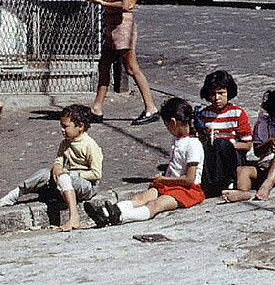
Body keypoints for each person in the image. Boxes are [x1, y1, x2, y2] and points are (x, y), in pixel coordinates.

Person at [85, 96, 204, 226]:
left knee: (155, 204)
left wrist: (164, 180)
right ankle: (106, 212)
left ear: (173, 122)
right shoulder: (177, 140)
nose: (168, 129)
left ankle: (120, 217)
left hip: (187, 190)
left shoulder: (193, 144)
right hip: (171, 184)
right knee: (140, 198)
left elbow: (189, 179)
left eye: (167, 125)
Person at [0, 104, 103, 231]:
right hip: (68, 181)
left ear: (80, 126)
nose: (62, 129)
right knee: (43, 174)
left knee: (65, 177)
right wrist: (57, 167)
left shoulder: (90, 145)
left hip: (87, 186)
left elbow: (96, 174)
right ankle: (14, 195)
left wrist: (73, 174)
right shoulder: (65, 143)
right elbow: (59, 159)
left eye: (65, 126)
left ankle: (74, 217)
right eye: (61, 125)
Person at [86, 0, 159, 126]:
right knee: (104, 64)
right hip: (113, 24)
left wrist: (101, 2)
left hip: (122, 25)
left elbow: (126, 5)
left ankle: (150, 107)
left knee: (131, 67)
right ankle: (97, 107)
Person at [221, 82, 275, 203]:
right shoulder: (264, 122)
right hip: (265, 166)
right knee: (242, 170)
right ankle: (243, 193)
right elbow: (257, 151)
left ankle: (267, 186)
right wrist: (269, 143)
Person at [193, 69, 253, 196]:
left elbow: (247, 145)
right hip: (212, 157)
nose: (217, 98)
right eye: (213, 94)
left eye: (221, 93)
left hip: (232, 158)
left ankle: (225, 181)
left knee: (221, 144)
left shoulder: (237, 113)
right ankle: (209, 183)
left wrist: (227, 143)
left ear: (229, 93)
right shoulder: (204, 115)